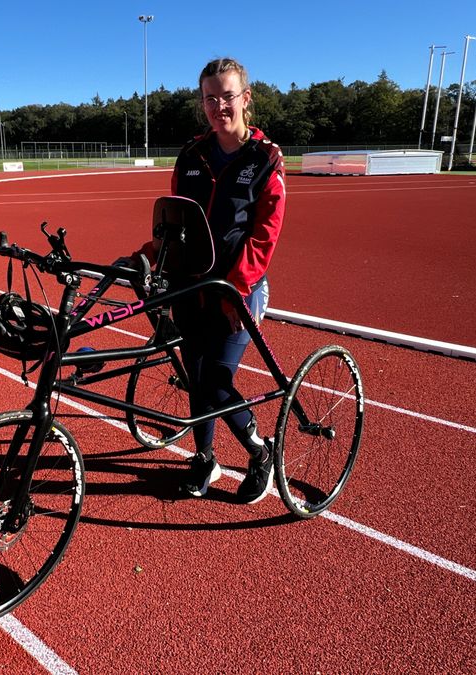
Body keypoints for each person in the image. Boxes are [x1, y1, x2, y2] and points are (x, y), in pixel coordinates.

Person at [125, 57, 287, 503]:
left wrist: (238, 287)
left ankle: (260, 453)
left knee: (216, 380)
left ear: (245, 99)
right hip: (190, 288)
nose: (219, 106)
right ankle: (205, 458)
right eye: (210, 98)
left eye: (227, 96)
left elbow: (264, 233)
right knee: (196, 377)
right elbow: (174, 225)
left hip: (238, 289)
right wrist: (147, 257)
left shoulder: (265, 158)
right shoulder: (191, 156)